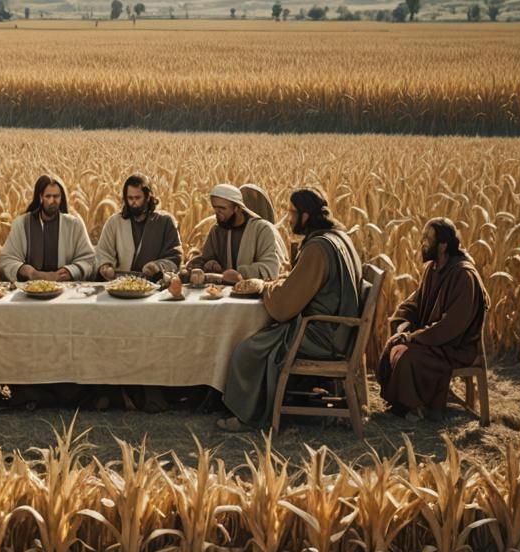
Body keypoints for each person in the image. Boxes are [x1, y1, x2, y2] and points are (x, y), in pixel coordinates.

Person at [218, 187, 363, 432]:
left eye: (294, 213)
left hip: (321, 335)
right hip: (338, 329)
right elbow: (303, 283)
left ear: (307, 216)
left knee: (248, 350)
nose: (291, 219)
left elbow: (284, 307)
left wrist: (264, 287)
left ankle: (249, 416)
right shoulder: (338, 237)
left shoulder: (318, 248)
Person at [377, 217, 490, 420]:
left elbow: (452, 325)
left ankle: (417, 407)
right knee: (392, 345)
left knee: (409, 357)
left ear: (443, 245)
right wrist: (402, 321)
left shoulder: (463, 275)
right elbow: (416, 302)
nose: (422, 243)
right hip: (435, 339)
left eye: (428, 239)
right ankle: (403, 404)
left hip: (455, 346)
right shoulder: (433, 268)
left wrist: (415, 337)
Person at [0, 174, 96, 282]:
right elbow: (6, 260)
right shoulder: (21, 224)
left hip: (65, 290)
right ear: (40, 197)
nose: (52, 201)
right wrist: (29, 272)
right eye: (48, 196)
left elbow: (89, 259)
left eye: (56, 196)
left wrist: (70, 271)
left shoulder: (74, 225)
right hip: (28, 290)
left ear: (61, 198)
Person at [187, 183, 285, 284]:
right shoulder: (216, 231)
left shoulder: (262, 230)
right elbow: (207, 259)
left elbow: (271, 267)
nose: (217, 213)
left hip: (253, 294)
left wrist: (240, 274)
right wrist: (210, 264)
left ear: (237, 208)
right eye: (215, 208)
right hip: (220, 294)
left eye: (222, 208)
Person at [94, 173, 182, 280]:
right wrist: (105, 267)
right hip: (120, 285)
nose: (133, 202)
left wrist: (157, 266)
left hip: (155, 285)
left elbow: (175, 257)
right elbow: (103, 252)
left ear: (148, 197)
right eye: (130, 198)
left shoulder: (165, 222)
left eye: (137, 198)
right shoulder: (114, 223)